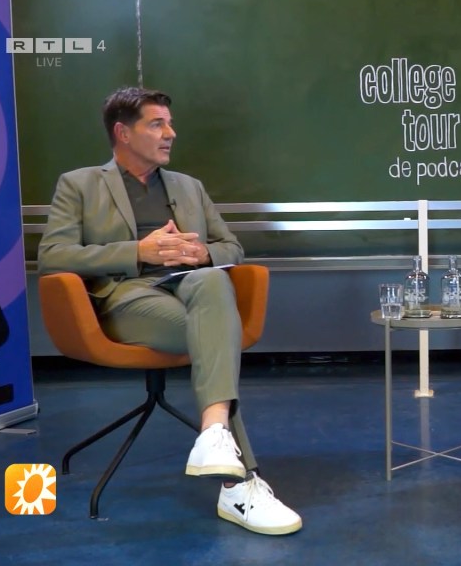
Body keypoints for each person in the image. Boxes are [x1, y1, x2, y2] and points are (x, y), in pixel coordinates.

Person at [38, 86, 302, 536]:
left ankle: (215, 434)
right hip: (126, 297)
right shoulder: (79, 184)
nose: (170, 134)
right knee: (216, 337)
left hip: (192, 288)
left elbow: (231, 247)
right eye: (157, 124)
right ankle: (240, 486)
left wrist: (201, 254)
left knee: (212, 280)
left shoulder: (188, 187)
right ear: (123, 133)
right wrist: (137, 251)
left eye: (170, 124)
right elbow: (53, 255)